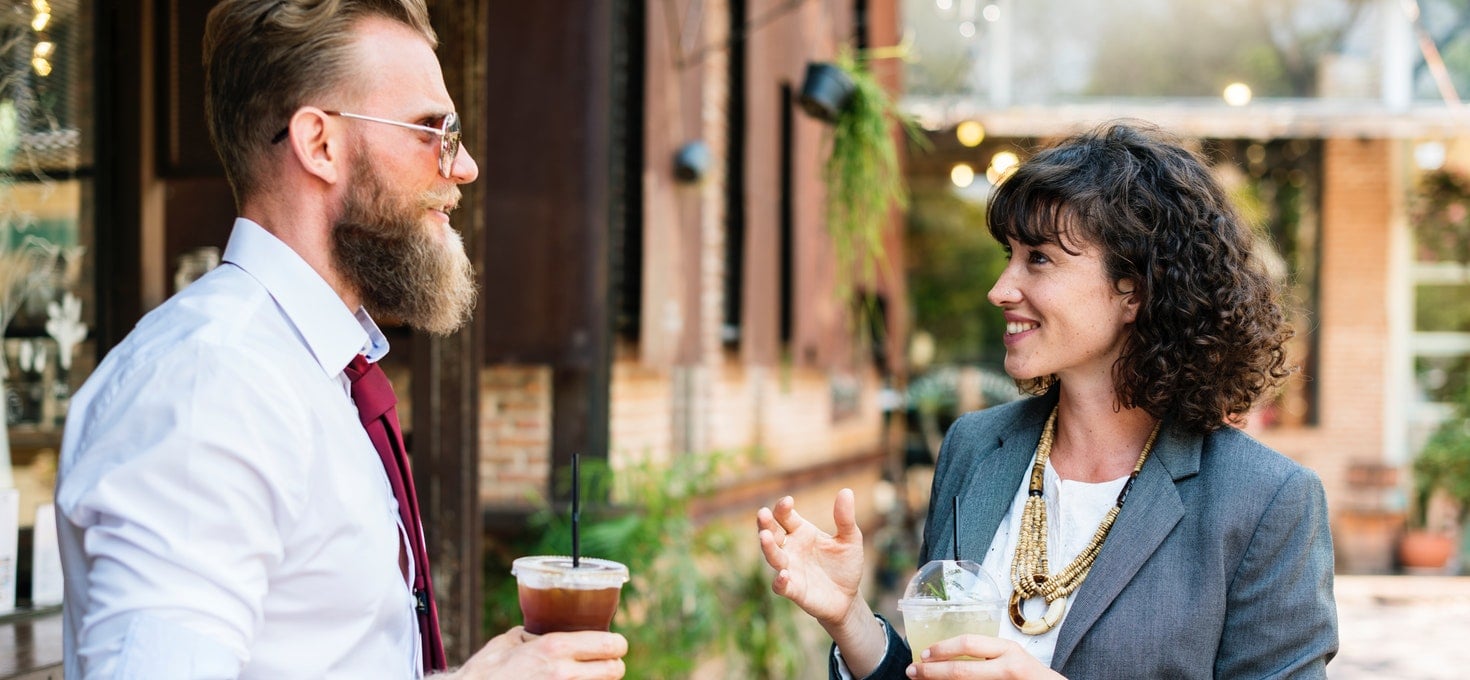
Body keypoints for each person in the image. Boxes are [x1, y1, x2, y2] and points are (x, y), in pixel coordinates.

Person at [54, 1, 627, 678]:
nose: (464, 165)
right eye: (432, 131)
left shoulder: (314, 369)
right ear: (320, 144)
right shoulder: (211, 384)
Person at [756, 121, 1338, 679]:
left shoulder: (1267, 502)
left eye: (1039, 258)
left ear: (1133, 288)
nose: (1001, 289)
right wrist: (848, 615)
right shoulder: (975, 447)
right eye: (1008, 256)